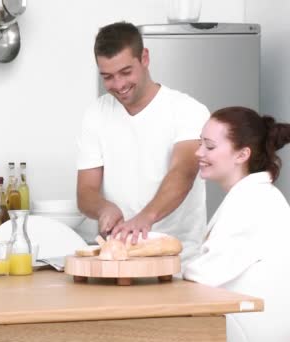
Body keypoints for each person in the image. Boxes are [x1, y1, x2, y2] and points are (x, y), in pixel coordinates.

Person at [76, 21, 209, 264]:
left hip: (180, 260)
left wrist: (144, 218)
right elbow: (85, 192)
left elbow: (183, 173)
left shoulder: (187, 110)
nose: (118, 85)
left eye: (126, 72)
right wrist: (103, 208)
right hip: (120, 258)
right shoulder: (96, 114)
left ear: (144, 57)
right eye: (108, 76)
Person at [184, 106, 290, 341]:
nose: (198, 153)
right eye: (200, 143)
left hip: (251, 332)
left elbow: (204, 274)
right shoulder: (251, 196)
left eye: (209, 146)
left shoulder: (254, 202)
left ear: (242, 155)